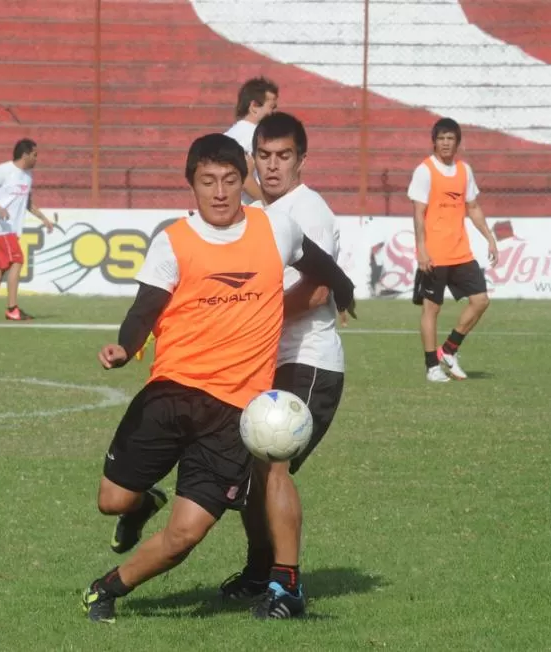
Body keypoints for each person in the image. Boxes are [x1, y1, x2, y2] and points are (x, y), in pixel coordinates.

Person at [81, 133, 356, 624]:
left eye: (230, 180)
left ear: (241, 180)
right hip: (169, 395)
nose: (221, 192)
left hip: (232, 414)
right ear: (192, 185)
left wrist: (346, 290)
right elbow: (145, 307)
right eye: (208, 182)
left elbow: (321, 264)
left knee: (185, 535)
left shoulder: (275, 228)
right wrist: (125, 347)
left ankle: (105, 588)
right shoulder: (173, 240)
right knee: (112, 501)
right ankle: (142, 504)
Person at [217, 113, 345, 619]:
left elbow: (316, 291)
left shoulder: (308, 210)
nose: (272, 166)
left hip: (309, 360)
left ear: (301, 160)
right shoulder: (255, 212)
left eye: (283, 156)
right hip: (269, 360)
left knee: (272, 462)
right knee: (250, 471)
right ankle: (259, 572)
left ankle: (286, 587)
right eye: (264, 156)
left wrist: (248, 315)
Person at [407, 118, 497, 383]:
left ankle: (449, 349)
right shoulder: (425, 170)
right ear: (434, 141)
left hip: (461, 252)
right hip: (434, 254)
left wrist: (490, 237)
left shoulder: (464, 170)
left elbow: (473, 207)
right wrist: (421, 249)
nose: (446, 143)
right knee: (431, 309)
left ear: (458, 142)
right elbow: (418, 213)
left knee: (481, 300)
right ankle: (431, 366)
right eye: (441, 138)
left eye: (450, 138)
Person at [0, 138, 55, 321]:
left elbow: (27, 203)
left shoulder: (27, 176)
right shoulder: (3, 170)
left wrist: (44, 219)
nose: (37, 159)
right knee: (17, 260)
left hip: (11, 229)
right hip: (1, 227)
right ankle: (12, 308)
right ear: (25, 155)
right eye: (35, 155)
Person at [224, 77, 279, 204]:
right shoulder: (254, 137)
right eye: (272, 107)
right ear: (254, 106)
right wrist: (268, 204)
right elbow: (244, 178)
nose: (275, 113)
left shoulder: (229, 135)